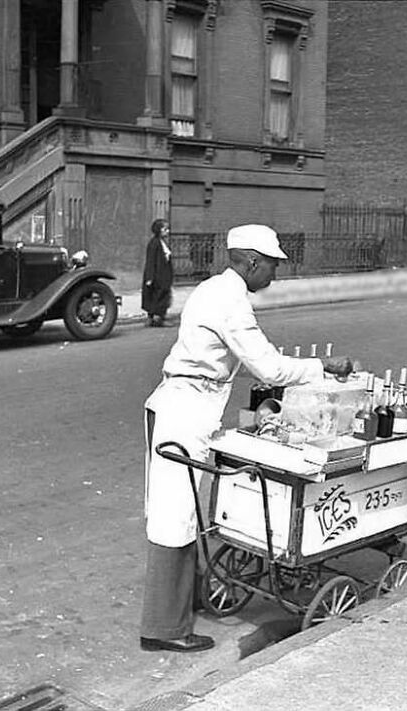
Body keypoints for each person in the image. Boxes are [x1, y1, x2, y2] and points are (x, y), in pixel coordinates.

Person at [140, 224, 353, 653]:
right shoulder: (230, 303)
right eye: (272, 264)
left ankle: (185, 602)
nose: (274, 273)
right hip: (186, 409)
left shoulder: (214, 288)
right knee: (174, 516)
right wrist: (324, 366)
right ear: (252, 262)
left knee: (184, 513)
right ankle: (164, 629)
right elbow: (270, 369)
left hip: (181, 402)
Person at [142, 218, 174, 327]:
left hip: (163, 276)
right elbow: (151, 261)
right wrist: (150, 277)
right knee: (157, 297)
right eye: (165, 229)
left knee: (160, 296)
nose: (167, 231)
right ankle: (157, 319)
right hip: (157, 276)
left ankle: (155, 318)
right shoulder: (154, 244)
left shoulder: (161, 243)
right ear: (159, 230)